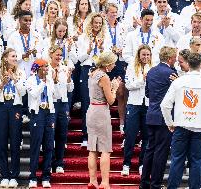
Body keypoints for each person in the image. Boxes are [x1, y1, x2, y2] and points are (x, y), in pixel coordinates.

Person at [161, 52, 201, 189]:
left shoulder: (179, 82)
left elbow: (165, 105)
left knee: (177, 160)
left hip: (181, 126)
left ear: (188, 64)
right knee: (196, 162)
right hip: (200, 128)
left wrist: (169, 122)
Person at [140, 46, 177, 189]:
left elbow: (148, 93)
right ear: (169, 58)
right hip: (164, 118)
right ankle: (155, 184)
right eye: (174, 58)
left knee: (150, 149)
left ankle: (144, 183)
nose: (175, 60)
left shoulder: (151, 71)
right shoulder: (171, 73)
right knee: (161, 151)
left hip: (151, 114)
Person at [76, 12, 112, 147]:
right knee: (87, 102)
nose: (97, 25)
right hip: (87, 69)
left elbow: (109, 58)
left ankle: (100, 136)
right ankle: (86, 135)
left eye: (99, 23)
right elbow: (79, 59)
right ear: (90, 23)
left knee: (101, 103)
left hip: (101, 70)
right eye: (95, 22)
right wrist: (89, 50)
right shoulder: (83, 38)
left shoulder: (106, 37)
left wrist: (102, 49)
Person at [0, 48, 26, 188]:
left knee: (15, 140)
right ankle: (4, 175)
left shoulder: (21, 72)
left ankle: (14, 175)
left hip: (15, 107)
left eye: (16, 56)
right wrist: (2, 83)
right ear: (5, 58)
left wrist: (14, 79)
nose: (15, 58)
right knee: (1, 141)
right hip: (1, 106)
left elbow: (23, 92)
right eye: (13, 56)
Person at [87, 51, 121, 189]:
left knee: (92, 149)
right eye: (113, 63)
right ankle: (105, 182)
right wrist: (115, 88)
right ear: (107, 64)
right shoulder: (104, 77)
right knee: (105, 149)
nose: (114, 65)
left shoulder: (92, 73)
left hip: (91, 110)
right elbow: (111, 100)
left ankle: (92, 180)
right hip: (101, 111)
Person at [121, 45, 153, 176]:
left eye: (148, 55)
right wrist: (142, 80)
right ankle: (126, 164)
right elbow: (128, 85)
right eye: (143, 55)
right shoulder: (131, 67)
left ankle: (142, 164)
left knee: (146, 137)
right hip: (134, 104)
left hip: (148, 105)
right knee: (130, 135)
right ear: (138, 56)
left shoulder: (153, 68)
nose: (145, 57)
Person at [26, 58, 55, 188]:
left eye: (47, 67)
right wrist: (43, 83)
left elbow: (53, 94)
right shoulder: (30, 80)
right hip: (37, 114)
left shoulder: (49, 80)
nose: (47, 69)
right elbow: (34, 94)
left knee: (49, 145)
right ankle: (33, 177)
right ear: (38, 68)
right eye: (45, 67)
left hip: (49, 112)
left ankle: (46, 176)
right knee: (36, 145)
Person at [49, 45, 74, 174]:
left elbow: (70, 89)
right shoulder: (46, 69)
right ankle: (50, 161)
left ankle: (59, 162)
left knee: (62, 133)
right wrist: (53, 80)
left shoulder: (65, 69)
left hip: (63, 104)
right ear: (51, 55)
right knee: (50, 134)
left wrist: (69, 79)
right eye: (57, 55)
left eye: (60, 55)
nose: (59, 57)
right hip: (51, 104)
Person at [105, 3, 127, 134]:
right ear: (106, 13)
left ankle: (122, 122)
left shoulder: (123, 27)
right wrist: (111, 49)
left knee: (120, 92)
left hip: (119, 62)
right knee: (105, 92)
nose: (114, 14)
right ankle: (105, 122)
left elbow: (126, 43)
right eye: (111, 12)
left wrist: (121, 50)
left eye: (115, 12)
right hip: (107, 62)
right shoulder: (102, 27)